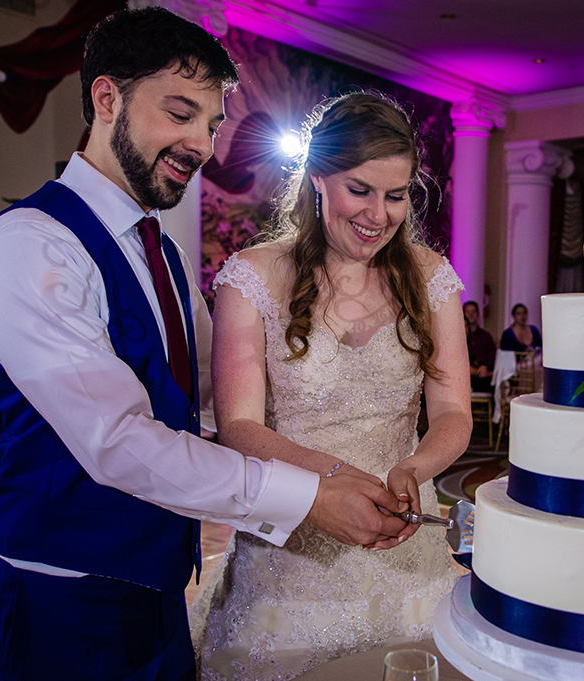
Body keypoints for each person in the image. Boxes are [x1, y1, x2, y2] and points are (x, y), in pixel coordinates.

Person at [0, 11, 406, 681]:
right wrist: (307, 496)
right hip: (59, 598)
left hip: (159, 588)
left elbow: (206, 401)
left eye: (213, 124)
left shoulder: (160, 252)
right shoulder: (30, 244)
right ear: (106, 98)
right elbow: (119, 440)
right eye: (180, 113)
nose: (201, 143)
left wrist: (343, 445)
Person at [189, 92, 471, 680]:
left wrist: (414, 470)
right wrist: (335, 481)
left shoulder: (432, 278)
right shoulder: (252, 277)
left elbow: (452, 413)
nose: (378, 214)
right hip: (289, 548)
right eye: (360, 190)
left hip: (403, 543)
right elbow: (239, 426)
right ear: (318, 177)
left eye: (396, 196)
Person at [464, 300, 496, 392]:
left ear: (478, 314)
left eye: (473, 311)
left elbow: (492, 358)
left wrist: (485, 368)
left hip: (485, 376)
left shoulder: (485, 336)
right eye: (467, 312)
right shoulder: (460, 338)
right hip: (467, 376)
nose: (470, 314)